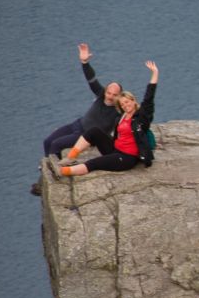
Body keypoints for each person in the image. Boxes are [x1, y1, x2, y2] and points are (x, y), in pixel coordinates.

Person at [34, 43, 121, 194]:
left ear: (119, 96)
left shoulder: (118, 110)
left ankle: (53, 177)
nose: (110, 96)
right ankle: (50, 171)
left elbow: (129, 120)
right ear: (106, 91)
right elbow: (92, 80)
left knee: (56, 145)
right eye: (109, 93)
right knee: (47, 141)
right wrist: (85, 62)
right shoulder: (101, 96)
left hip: (85, 136)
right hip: (77, 124)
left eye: (114, 95)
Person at [52, 61, 158, 177]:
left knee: (94, 163)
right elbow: (94, 85)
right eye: (122, 104)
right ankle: (70, 158)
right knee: (94, 131)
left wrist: (154, 74)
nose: (125, 105)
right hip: (114, 149)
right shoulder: (123, 115)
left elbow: (148, 99)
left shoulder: (140, 119)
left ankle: (61, 172)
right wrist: (85, 63)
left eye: (127, 102)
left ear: (133, 101)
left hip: (126, 157)